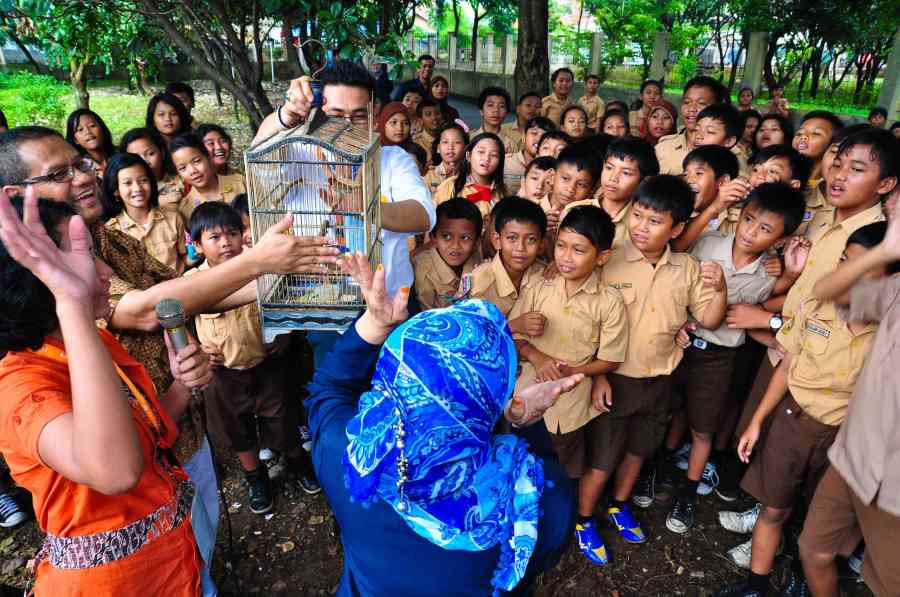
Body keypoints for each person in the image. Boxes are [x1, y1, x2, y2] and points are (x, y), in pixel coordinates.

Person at [307, 248, 581, 596]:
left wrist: (372, 326)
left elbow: (326, 390)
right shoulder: (535, 495)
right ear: (494, 400)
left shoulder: (348, 456)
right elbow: (540, 553)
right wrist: (523, 423)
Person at [0, 193, 210, 595]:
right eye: (78, 259)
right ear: (32, 279)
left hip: (174, 565)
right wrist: (73, 304)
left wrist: (184, 386)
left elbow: (145, 432)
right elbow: (116, 472)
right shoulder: (21, 387)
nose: (102, 271)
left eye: (94, 254)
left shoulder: (90, 344)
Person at [716, 222, 889, 597]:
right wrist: (757, 422)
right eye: (844, 262)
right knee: (773, 509)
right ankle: (755, 586)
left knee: (818, 522)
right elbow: (788, 364)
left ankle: (802, 578)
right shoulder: (818, 304)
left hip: (844, 440)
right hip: (793, 424)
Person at [253, 60, 435, 367]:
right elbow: (261, 156)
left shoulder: (392, 159)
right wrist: (286, 115)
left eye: (359, 115)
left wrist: (364, 206)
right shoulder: (300, 155)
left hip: (390, 304)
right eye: (336, 115)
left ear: (375, 113)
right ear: (320, 114)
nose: (347, 125)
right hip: (329, 311)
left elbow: (422, 215)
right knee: (336, 392)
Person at [593, 175, 726, 553]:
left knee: (639, 450)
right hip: (613, 378)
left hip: (659, 381)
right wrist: (598, 374)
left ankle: (619, 505)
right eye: (637, 216)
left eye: (654, 221)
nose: (641, 227)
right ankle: (587, 516)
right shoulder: (609, 257)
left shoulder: (687, 268)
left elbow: (712, 319)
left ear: (677, 229)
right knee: (602, 455)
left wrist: (720, 289)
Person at [663, 183, 806, 535]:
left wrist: (787, 277)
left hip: (719, 357)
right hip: (680, 343)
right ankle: (659, 471)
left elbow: (749, 315)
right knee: (668, 410)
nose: (750, 232)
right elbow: (676, 275)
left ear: (781, 238)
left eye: (764, 229)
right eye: (748, 219)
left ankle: (688, 492)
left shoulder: (767, 276)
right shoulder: (709, 243)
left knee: (703, 428)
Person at [511, 205, 628, 566]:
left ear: (602, 256)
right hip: (526, 399)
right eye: (561, 246)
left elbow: (611, 358)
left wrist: (575, 371)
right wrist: (538, 357)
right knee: (519, 460)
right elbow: (515, 337)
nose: (566, 257)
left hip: (572, 406)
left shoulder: (609, 302)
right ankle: (518, 525)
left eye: (579, 250)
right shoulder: (538, 284)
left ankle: (564, 529)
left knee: (564, 470)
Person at [187, 202, 319, 512]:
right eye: (214, 237)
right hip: (224, 372)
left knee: (282, 417)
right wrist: (197, 347)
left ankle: (298, 462)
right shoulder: (192, 281)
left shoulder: (260, 267)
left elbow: (285, 306)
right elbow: (179, 320)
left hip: (266, 364)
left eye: (232, 234)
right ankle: (255, 477)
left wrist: (284, 336)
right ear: (196, 245)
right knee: (237, 428)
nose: (226, 243)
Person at [799, 212, 900, 597]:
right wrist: (885, 251)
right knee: (815, 550)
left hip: (895, 491)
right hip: (852, 460)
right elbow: (829, 291)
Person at [459, 198, 546, 324]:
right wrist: (513, 326)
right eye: (512, 238)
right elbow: (468, 330)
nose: (520, 248)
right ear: (497, 240)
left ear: (542, 244)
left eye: (531, 239)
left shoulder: (545, 274)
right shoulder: (478, 283)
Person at [567, 136, 660, 250]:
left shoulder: (643, 223)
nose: (613, 178)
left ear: (644, 181)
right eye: (609, 168)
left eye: (626, 173)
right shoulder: (574, 210)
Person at [103, 152, 187, 274]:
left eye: (143, 180)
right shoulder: (111, 231)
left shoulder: (173, 218)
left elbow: (185, 258)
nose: (137, 188)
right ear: (116, 190)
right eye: (128, 183)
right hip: (146, 293)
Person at [413, 198, 482, 310]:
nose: (455, 246)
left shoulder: (476, 260)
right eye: (446, 237)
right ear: (433, 238)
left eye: (464, 238)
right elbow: (426, 318)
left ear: (476, 243)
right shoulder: (424, 273)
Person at [671, 145, 742, 252]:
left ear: (722, 182)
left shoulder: (738, 221)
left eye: (699, 173)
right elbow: (674, 247)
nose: (689, 180)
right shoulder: (675, 210)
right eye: (686, 174)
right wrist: (712, 209)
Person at [656, 76, 729, 175]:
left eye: (701, 103)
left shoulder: (729, 153)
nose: (691, 108)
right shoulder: (663, 147)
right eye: (687, 102)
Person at [170, 132, 246, 222]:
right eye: (182, 168)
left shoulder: (240, 182)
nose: (193, 171)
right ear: (179, 174)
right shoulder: (186, 208)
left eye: (197, 161)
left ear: (208, 157)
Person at [432, 132, 507, 221]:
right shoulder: (450, 186)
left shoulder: (502, 192)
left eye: (494, 155)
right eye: (481, 152)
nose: (486, 159)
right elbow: (432, 220)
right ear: (468, 156)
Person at [540, 144, 602, 238]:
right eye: (565, 178)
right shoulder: (532, 211)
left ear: (591, 191)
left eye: (581, 184)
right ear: (552, 177)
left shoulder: (591, 221)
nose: (570, 189)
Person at [120, 127, 186, 213]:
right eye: (136, 157)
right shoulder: (129, 192)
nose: (145, 161)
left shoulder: (183, 178)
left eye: (150, 154)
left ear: (162, 153)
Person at [504, 116, 555, 195]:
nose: (539, 139)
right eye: (534, 133)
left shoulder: (555, 169)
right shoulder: (506, 162)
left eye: (545, 136)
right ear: (524, 137)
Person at [792, 110, 843, 186]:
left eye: (816, 133)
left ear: (832, 145)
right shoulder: (785, 174)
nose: (803, 136)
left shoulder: (830, 186)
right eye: (799, 133)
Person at [65, 109, 115, 178]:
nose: (88, 132)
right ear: (75, 140)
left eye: (92, 126)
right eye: (80, 129)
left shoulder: (120, 155)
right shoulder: (79, 169)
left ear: (102, 129)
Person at [423, 123, 468, 193]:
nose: (450, 147)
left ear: (465, 148)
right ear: (438, 148)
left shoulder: (471, 175)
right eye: (445, 142)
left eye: (457, 142)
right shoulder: (428, 175)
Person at [471, 86, 517, 153]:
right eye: (490, 105)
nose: (496, 110)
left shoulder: (511, 145)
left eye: (502, 106)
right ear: (481, 111)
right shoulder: (470, 139)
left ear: (506, 113)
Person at [413, 99, 443, 165]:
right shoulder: (416, 143)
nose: (434, 117)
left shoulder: (447, 139)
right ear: (420, 120)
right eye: (428, 114)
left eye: (437, 113)